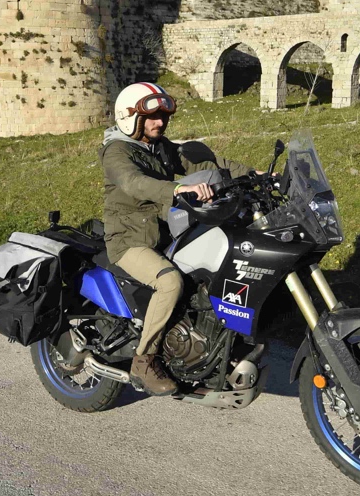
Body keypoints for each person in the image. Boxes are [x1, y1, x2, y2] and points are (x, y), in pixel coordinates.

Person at [101, 82, 254, 395]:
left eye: (164, 117)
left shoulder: (159, 147)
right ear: (130, 117)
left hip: (164, 234)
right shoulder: (116, 152)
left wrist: (257, 176)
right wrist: (177, 190)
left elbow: (209, 164)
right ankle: (143, 362)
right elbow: (134, 182)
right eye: (153, 117)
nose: (161, 122)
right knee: (170, 282)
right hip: (128, 241)